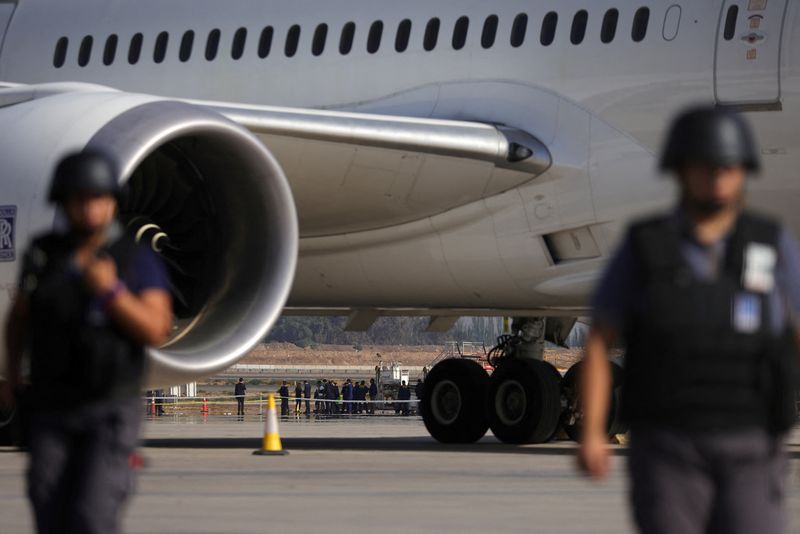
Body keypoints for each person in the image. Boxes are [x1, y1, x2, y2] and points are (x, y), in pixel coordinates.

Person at [577, 106, 800, 534]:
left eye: (727, 167)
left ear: (742, 172)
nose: (717, 177)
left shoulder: (772, 246)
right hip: (669, 449)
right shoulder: (646, 248)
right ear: (681, 171)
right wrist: (591, 432)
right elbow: (600, 340)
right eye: (704, 166)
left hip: (752, 447)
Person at [1, 150, 172, 534]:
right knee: (48, 507)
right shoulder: (45, 255)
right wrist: (11, 374)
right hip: (50, 405)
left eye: (97, 198)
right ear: (63, 202)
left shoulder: (133, 259)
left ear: (112, 202)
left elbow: (156, 327)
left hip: (108, 407)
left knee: (92, 515)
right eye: (78, 198)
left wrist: (111, 292)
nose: (88, 208)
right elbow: (19, 317)